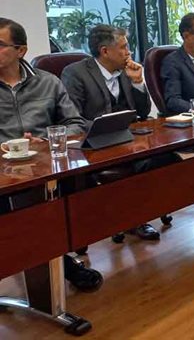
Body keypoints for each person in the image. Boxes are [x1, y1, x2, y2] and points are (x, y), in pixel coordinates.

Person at [0, 18, 102, 292]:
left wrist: (45, 139)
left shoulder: (48, 83)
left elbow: (76, 123)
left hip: (46, 166)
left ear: (20, 50)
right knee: (23, 210)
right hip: (3, 173)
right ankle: (63, 267)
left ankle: (55, 261)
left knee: (83, 192)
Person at [61, 24, 160, 241]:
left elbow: (142, 112)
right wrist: (104, 128)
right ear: (105, 51)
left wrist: (137, 82)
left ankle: (137, 215)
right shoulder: (75, 73)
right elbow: (73, 118)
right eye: (124, 47)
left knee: (162, 159)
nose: (129, 53)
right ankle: (123, 220)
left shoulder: (126, 70)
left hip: (127, 140)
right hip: (93, 147)